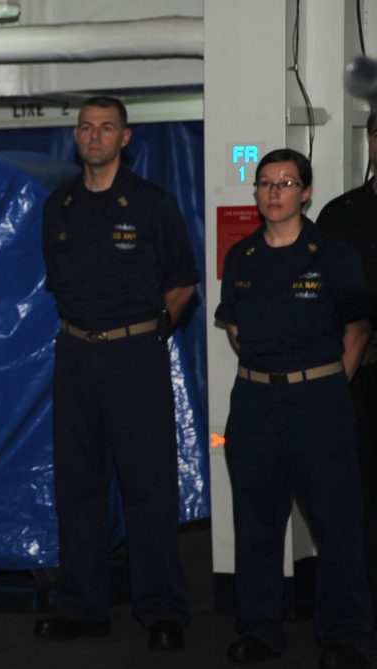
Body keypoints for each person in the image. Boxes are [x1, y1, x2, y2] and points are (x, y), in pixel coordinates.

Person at [36, 96, 196, 651]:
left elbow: (182, 283)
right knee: (77, 488)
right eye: (86, 127)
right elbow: (57, 281)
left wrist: (154, 335)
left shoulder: (154, 204)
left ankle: (163, 612)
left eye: (106, 127)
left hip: (135, 360)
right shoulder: (58, 206)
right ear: (76, 137)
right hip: (76, 357)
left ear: (125, 138)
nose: (95, 135)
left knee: (148, 489)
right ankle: (83, 608)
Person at [217, 148, 376, 668]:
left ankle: (346, 635)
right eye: (265, 183)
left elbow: (356, 329)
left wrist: (325, 383)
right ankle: (261, 629)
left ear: (306, 192)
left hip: (319, 401)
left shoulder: (333, 254)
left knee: (336, 524)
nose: (274, 192)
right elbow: (238, 331)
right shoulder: (241, 259)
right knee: (257, 521)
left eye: (286, 183)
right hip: (256, 403)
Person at [316, 110, 377, 624]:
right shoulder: (341, 215)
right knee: (361, 496)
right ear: (370, 141)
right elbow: (328, 308)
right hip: (363, 377)